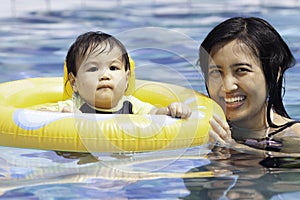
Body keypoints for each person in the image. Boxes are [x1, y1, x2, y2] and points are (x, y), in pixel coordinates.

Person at [198, 17, 300, 153]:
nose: (227, 87)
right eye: (216, 72)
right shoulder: (202, 121)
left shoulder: (293, 137)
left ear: (274, 74)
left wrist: (234, 147)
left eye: (241, 70)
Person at [61, 31, 191, 118]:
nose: (105, 75)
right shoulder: (73, 105)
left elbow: (156, 113)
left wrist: (172, 110)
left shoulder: (132, 105)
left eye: (113, 68)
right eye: (93, 69)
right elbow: (41, 114)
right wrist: (64, 115)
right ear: (74, 83)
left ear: (127, 79)